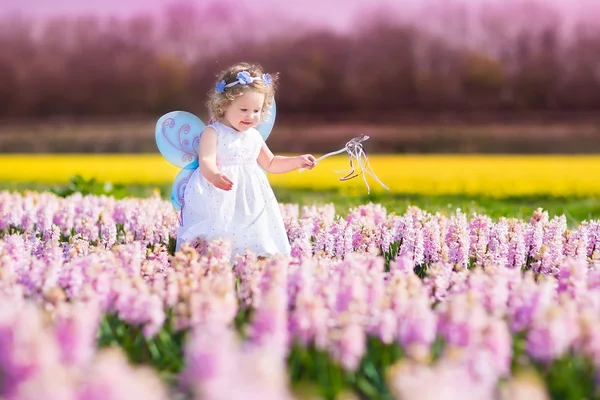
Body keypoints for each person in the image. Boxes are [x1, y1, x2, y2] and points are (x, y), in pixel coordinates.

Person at [176, 62, 316, 260]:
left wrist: (297, 161)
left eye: (256, 110)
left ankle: (250, 261)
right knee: (220, 231)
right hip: (220, 194)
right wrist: (214, 175)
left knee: (251, 232)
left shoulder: (253, 136)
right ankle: (218, 261)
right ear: (224, 105)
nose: (250, 116)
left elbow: (271, 163)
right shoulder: (213, 132)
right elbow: (206, 160)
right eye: (243, 109)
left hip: (251, 197)